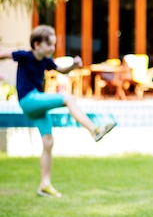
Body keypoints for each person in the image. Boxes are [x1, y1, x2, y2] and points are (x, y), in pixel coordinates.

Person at [0, 25, 116, 198]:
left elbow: (62, 70)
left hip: (37, 105)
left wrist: (74, 66)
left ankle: (44, 185)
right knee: (67, 98)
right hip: (28, 100)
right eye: (50, 45)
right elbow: (3, 53)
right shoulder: (24, 55)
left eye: (54, 45)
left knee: (48, 142)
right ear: (37, 44)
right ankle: (94, 130)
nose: (53, 49)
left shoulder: (46, 61)